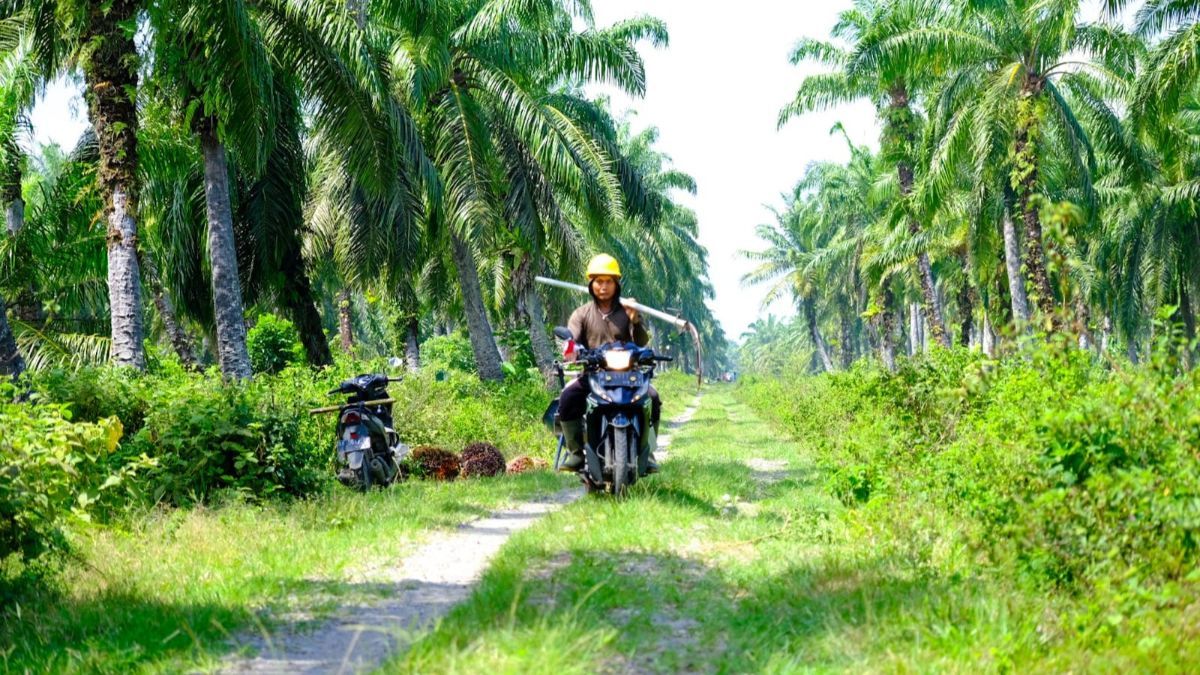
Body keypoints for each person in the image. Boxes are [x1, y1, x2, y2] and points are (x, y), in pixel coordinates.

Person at [557, 253, 662, 472]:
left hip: (628, 374)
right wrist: (571, 349)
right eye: (599, 282)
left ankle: (648, 452)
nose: (603, 287)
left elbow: (641, 341)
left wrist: (635, 320)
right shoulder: (581, 314)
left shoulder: (628, 311)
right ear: (591, 284)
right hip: (593, 373)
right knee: (567, 397)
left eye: (608, 282)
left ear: (616, 285)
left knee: (653, 397)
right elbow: (572, 340)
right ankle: (576, 452)